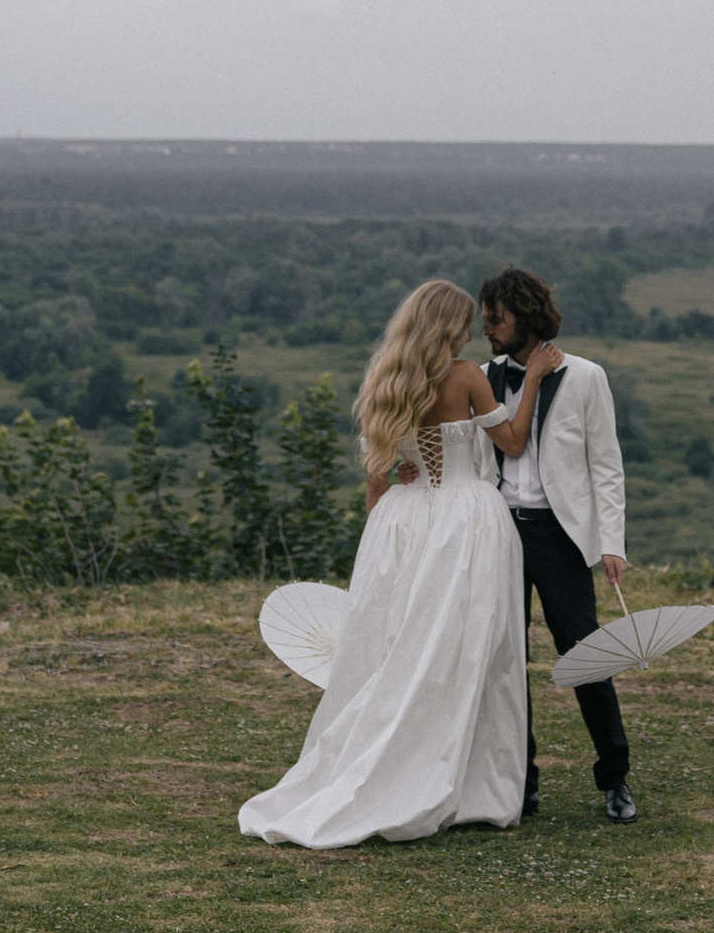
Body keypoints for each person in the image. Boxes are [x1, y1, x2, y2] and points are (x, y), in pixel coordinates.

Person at [238, 279, 562, 848]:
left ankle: (394, 760)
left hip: (402, 522)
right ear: (447, 327)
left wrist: (396, 514)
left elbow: (376, 486)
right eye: (464, 322)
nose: (470, 331)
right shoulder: (466, 376)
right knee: (471, 648)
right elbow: (511, 441)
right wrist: (531, 380)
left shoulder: (385, 382)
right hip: (465, 521)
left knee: (402, 644)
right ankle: (472, 782)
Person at [479, 267, 636, 825]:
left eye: (496, 318)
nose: (488, 328)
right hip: (500, 531)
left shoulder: (588, 377)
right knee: (506, 659)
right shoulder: (483, 376)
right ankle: (522, 783)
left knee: (585, 653)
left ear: (525, 314)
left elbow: (607, 468)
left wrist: (611, 542)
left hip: (561, 535)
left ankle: (614, 776)